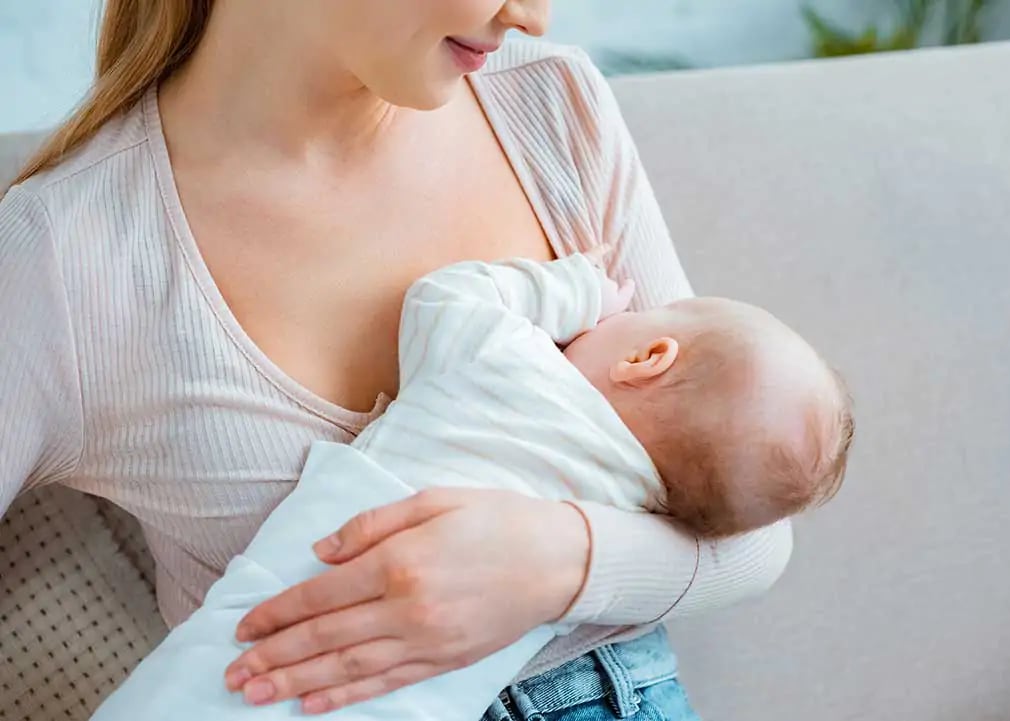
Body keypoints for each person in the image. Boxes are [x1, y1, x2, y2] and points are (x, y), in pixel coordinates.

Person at [1, 1, 795, 718]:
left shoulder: (550, 104)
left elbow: (752, 536)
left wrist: (554, 559)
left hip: (616, 693)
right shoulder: (68, 258)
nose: (534, 17)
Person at [89, 252, 851, 720]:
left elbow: (444, 296)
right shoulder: (638, 507)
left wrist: (578, 288)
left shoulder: (510, 364)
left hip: (259, 650)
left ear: (647, 354)